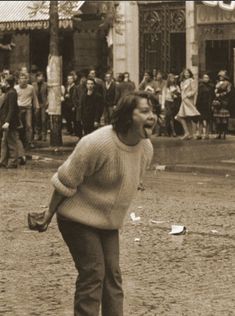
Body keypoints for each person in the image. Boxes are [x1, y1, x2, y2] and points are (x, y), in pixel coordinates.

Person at [34, 91, 156, 316]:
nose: (152, 116)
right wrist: (48, 213)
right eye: (145, 111)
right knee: (93, 272)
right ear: (128, 116)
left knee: (113, 275)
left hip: (107, 223)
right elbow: (65, 181)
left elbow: (131, 181)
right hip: (76, 218)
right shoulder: (97, 143)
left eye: (153, 111)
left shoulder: (146, 148)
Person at [0, 75, 21, 168]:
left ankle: (13, 161)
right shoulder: (9, 92)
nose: (3, 83)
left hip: (10, 122)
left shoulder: (12, 93)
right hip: (6, 121)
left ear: (8, 83)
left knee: (11, 142)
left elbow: (12, 109)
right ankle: (3, 161)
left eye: (4, 82)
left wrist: (7, 121)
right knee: (4, 141)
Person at [15, 72, 39, 149]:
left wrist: (37, 106)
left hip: (28, 108)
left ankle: (29, 142)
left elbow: (34, 98)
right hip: (18, 108)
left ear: (27, 80)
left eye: (25, 78)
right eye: (21, 78)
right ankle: (18, 142)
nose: (23, 80)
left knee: (29, 125)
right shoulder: (16, 88)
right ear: (18, 80)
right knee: (19, 125)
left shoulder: (31, 88)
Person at [175, 68, 200, 140]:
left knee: (190, 116)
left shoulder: (192, 81)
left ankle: (191, 133)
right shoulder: (182, 82)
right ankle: (188, 133)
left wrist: (188, 95)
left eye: (188, 73)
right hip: (184, 100)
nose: (186, 74)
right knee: (182, 116)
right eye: (185, 73)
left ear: (190, 74)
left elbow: (194, 90)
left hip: (189, 100)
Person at [212, 70, 232, 140]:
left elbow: (228, 92)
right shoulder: (217, 83)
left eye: (222, 76)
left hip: (224, 102)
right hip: (217, 101)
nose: (221, 77)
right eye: (220, 76)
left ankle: (224, 133)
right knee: (218, 119)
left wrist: (220, 94)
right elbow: (215, 90)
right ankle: (219, 133)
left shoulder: (228, 83)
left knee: (224, 119)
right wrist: (215, 93)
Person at [196, 73, 214, 139]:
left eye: (207, 78)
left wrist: (212, 104)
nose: (206, 79)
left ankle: (207, 134)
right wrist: (197, 104)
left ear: (209, 79)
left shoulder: (211, 86)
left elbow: (213, 96)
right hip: (201, 104)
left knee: (208, 119)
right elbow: (198, 96)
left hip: (208, 104)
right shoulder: (200, 86)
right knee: (200, 119)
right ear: (202, 79)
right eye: (204, 77)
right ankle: (200, 134)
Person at [33, 72, 48, 141]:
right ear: (36, 77)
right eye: (39, 77)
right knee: (36, 119)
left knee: (44, 119)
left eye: (41, 76)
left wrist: (47, 102)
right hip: (36, 103)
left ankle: (44, 134)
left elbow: (48, 94)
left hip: (43, 104)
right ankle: (37, 133)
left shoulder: (46, 85)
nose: (40, 78)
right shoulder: (33, 85)